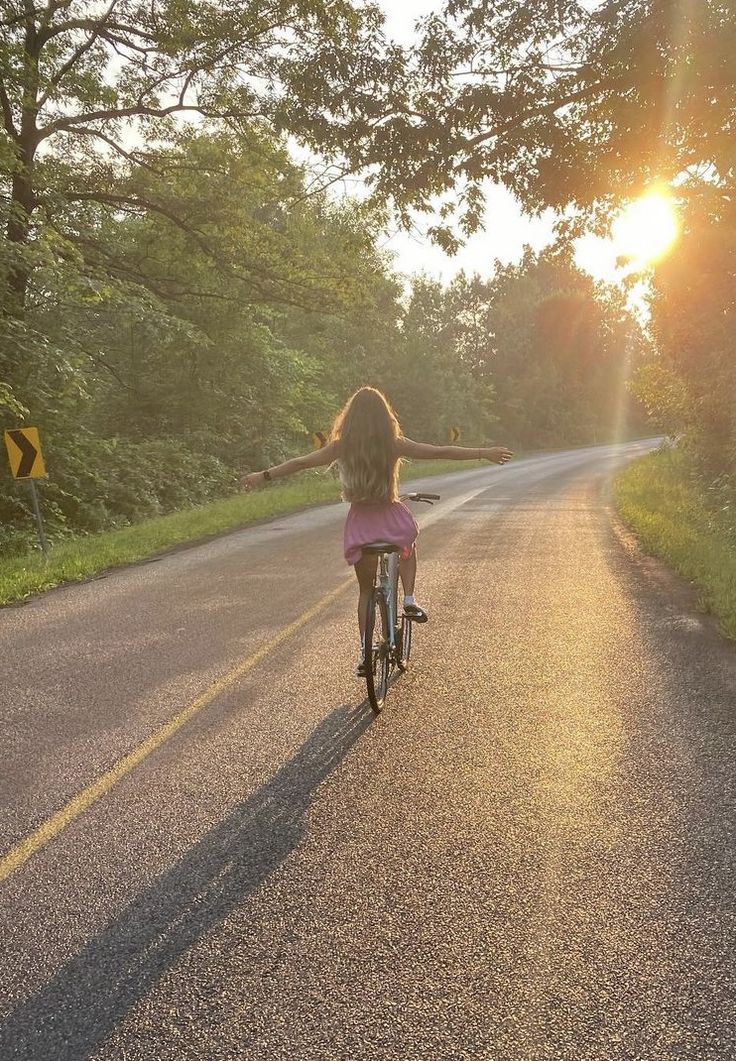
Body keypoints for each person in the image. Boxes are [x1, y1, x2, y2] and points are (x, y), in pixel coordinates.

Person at [242, 386, 513, 675]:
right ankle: (409, 599)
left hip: (360, 523)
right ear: (386, 417)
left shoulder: (341, 446)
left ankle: (364, 653)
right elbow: (439, 451)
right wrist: (485, 452)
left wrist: (263, 475)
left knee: (364, 592)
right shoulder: (394, 444)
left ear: (350, 418)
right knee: (408, 545)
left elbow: (301, 463)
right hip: (389, 515)